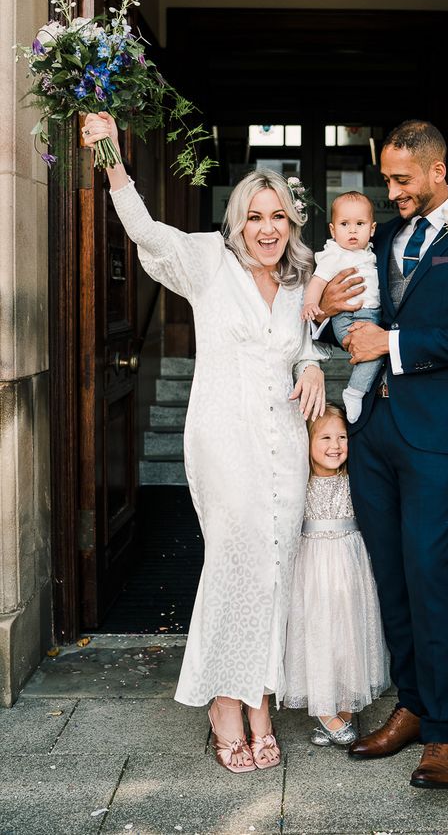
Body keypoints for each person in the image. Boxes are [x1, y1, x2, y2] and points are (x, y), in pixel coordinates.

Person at [81, 112, 326, 775]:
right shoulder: (208, 262)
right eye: (255, 218)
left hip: (283, 444)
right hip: (223, 438)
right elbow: (142, 229)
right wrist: (110, 152)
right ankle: (224, 699)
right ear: (236, 222)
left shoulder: (301, 277)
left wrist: (308, 367)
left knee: (276, 563)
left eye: (278, 217)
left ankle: (260, 701)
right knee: (236, 558)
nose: (268, 229)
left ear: (291, 222)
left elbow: (304, 346)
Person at [315, 120, 448, 790]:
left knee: (429, 572)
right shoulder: (384, 239)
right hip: (374, 430)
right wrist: (325, 314)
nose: (391, 191)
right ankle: (409, 704)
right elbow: (354, 311)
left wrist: (392, 348)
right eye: (388, 178)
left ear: (438, 170)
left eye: (402, 180)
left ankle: (443, 733)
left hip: (437, 433)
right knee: (390, 573)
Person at [283, 404, 389, 746]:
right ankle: (325, 710)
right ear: (307, 442)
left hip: (350, 561)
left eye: (342, 437)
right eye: (325, 437)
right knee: (317, 630)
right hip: (312, 565)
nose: (335, 445)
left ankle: (343, 708)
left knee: (349, 630)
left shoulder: (354, 477)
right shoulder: (300, 480)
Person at [301, 192, 381, 422]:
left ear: (372, 229)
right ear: (333, 231)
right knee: (373, 352)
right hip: (347, 317)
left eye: (360, 224)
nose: (353, 230)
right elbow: (318, 281)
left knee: (377, 350)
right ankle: (355, 391)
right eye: (345, 224)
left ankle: (358, 389)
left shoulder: (371, 254)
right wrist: (311, 303)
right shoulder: (334, 256)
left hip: (372, 315)